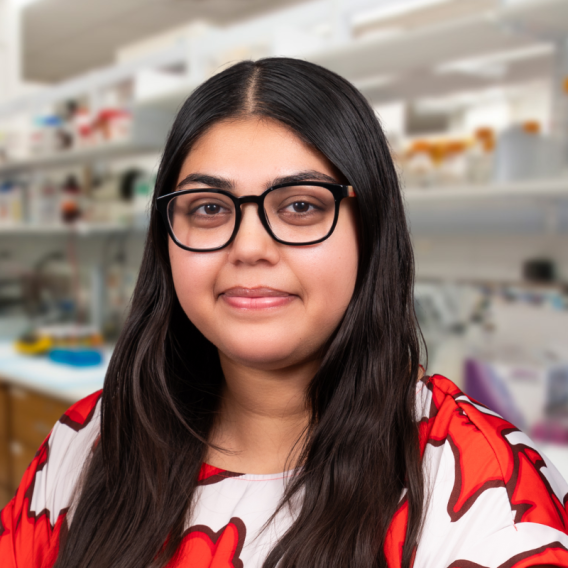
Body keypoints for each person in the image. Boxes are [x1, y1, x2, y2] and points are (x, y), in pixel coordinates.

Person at [1, 58, 567, 568]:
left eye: (300, 206)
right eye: (208, 208)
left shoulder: (484, 491)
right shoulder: (92, 439)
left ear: (370, 229)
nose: (249, 247)